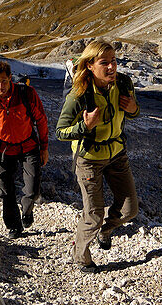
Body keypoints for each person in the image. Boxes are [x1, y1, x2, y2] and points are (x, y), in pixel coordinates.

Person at [56, 40, 139, 273]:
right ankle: (81, 256)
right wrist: (84, 126)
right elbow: (60, 131)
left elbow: (131, 112)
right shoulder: (79, 93)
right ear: (90, 65)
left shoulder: (123, 83)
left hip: (116, 154)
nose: (112, 67)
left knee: (130, 209)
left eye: (114, 61)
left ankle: (106, 230)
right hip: (89, 159)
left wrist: (133, 109)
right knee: (93, 215)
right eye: (105, 63)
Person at [0, 60, 49, 238]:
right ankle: (14, 226)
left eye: (4, 81)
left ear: (10, 78)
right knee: (5, 191)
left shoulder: (26, 93)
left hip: (29, 146)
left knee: (33, 190)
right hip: (4, 149)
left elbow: (41, 120)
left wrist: (44, 147)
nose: (1, 86)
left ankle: (27, 209)